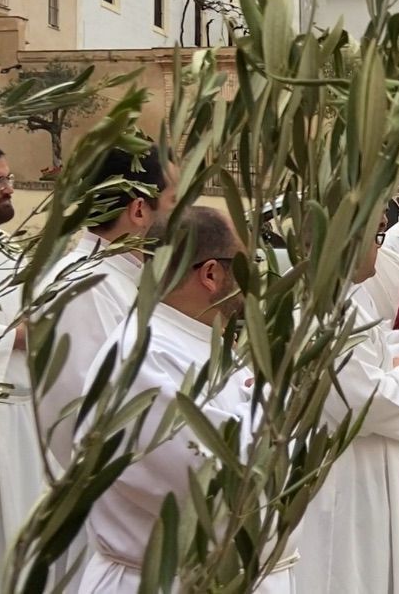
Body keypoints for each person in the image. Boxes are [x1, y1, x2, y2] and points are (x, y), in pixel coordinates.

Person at [76, 208, 294, 593]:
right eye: (247, 265)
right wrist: (273, 398)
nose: (254, 279)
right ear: (211, 274)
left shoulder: (196, 341)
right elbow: (225, 481)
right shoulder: (143, 359)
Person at [297, 211, 399, 593]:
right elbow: (357, 398)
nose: (378, 249)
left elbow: (361, 361)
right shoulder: (329, 308)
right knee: (349, 570)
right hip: (347, 469)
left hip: (364, 461)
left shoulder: (349, 297)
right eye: (375, 238)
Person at [39, 144, 178, 469]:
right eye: (175, 201)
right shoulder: (84, 286)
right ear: (140, 210)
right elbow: (89, 413)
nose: (186, 215)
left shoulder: (120, 278)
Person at [0, 148, 44, 573]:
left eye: (9, 178)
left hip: (28, 414)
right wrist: (19, 335)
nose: (9, 188)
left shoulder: (9, 247)